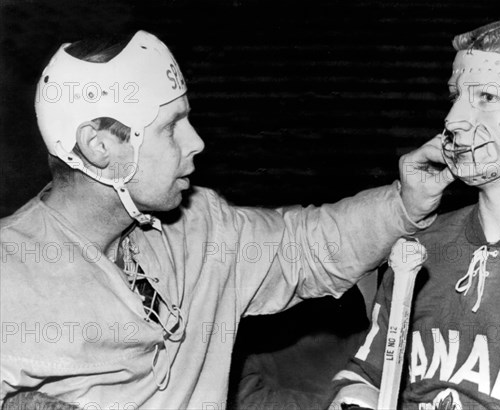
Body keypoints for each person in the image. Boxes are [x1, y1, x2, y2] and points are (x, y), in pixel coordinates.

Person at [0, 31, 452, 409]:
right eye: (171, 127)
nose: (195, 142)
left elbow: (311, 245)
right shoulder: (10, 273)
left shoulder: (198, 225)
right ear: (101, 148)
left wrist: (404, 204)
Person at [328, 16, 500, 410]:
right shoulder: (419, 249)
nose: (453, 120)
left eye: (487, 97)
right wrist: (354, 398)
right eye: (455, 96)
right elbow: (369, 376)